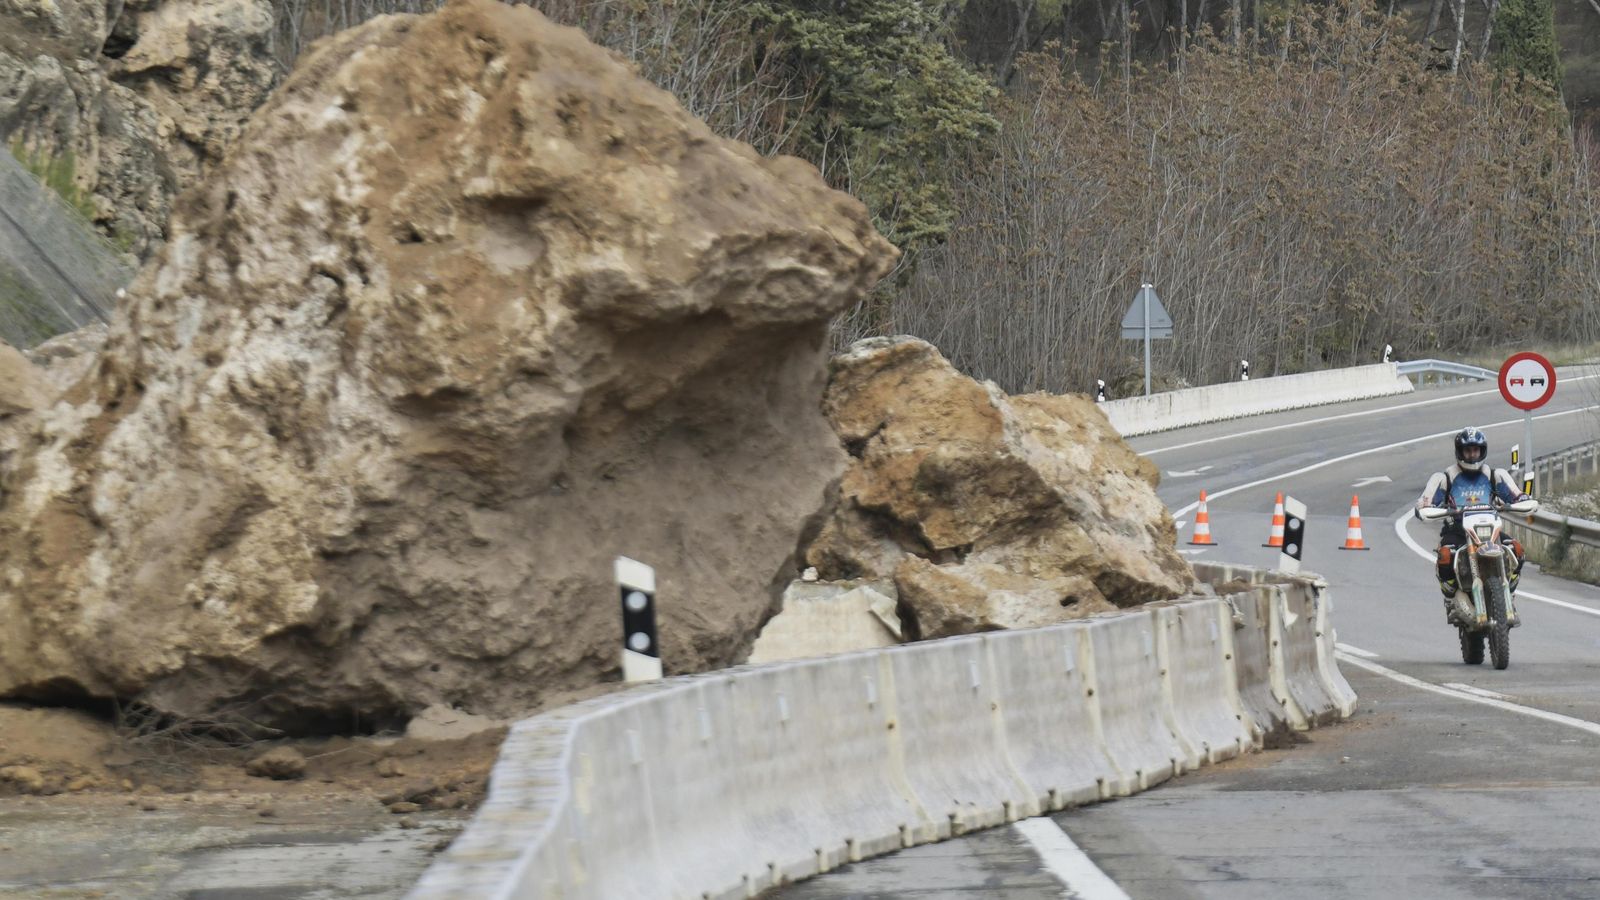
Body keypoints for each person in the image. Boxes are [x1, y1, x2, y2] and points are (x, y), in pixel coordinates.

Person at [1414, 427, 1530, 622]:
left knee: (1516, 550)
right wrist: (1425, 506)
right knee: (1445, 556)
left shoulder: (1495, 475)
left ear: (1482, 450)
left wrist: (1523, 499)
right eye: (1468, 450)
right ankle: (1451, 598)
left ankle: (1508, 594)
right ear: (1460, 451)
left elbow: (1516, 494)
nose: (1472, 454)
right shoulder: (1445, 478)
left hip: (1489, 529)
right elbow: (1426, 500)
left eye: (1476, 450)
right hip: (1457, 529)